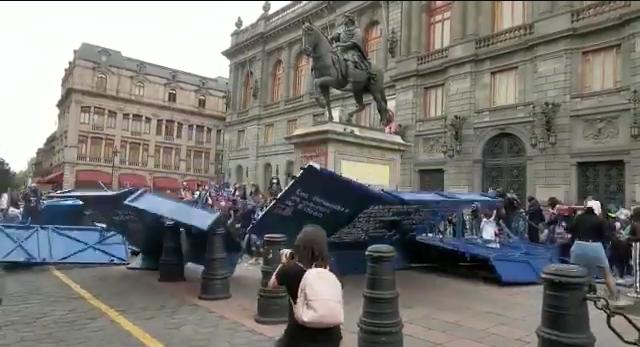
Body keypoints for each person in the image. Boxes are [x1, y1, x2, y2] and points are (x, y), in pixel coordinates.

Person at [268, 225, 342, 347]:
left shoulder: (291, 268)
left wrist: (284, 263)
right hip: (331, 334)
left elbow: (272, 285)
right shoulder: (331, 267)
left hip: (299, 335)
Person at [569, 200, 624, 304]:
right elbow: (607, 234)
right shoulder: (599, 220)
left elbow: (571, 229)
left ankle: (575, 295)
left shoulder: (579, 218)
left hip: (578, 246)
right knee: (606, 274)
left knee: (576, 272)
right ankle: (614, 296)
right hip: (594, 246)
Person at [329, 13, 373, 80]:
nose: (343, 20)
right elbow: (336, 36)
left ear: (349, 20)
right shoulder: (342, 30)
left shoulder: (356, 31)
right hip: (341, 52)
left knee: (350, 63)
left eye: (344, 18)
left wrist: (339, 44)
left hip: (352, 52)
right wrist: (332, 37)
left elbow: (353, 43)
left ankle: (351, 81)